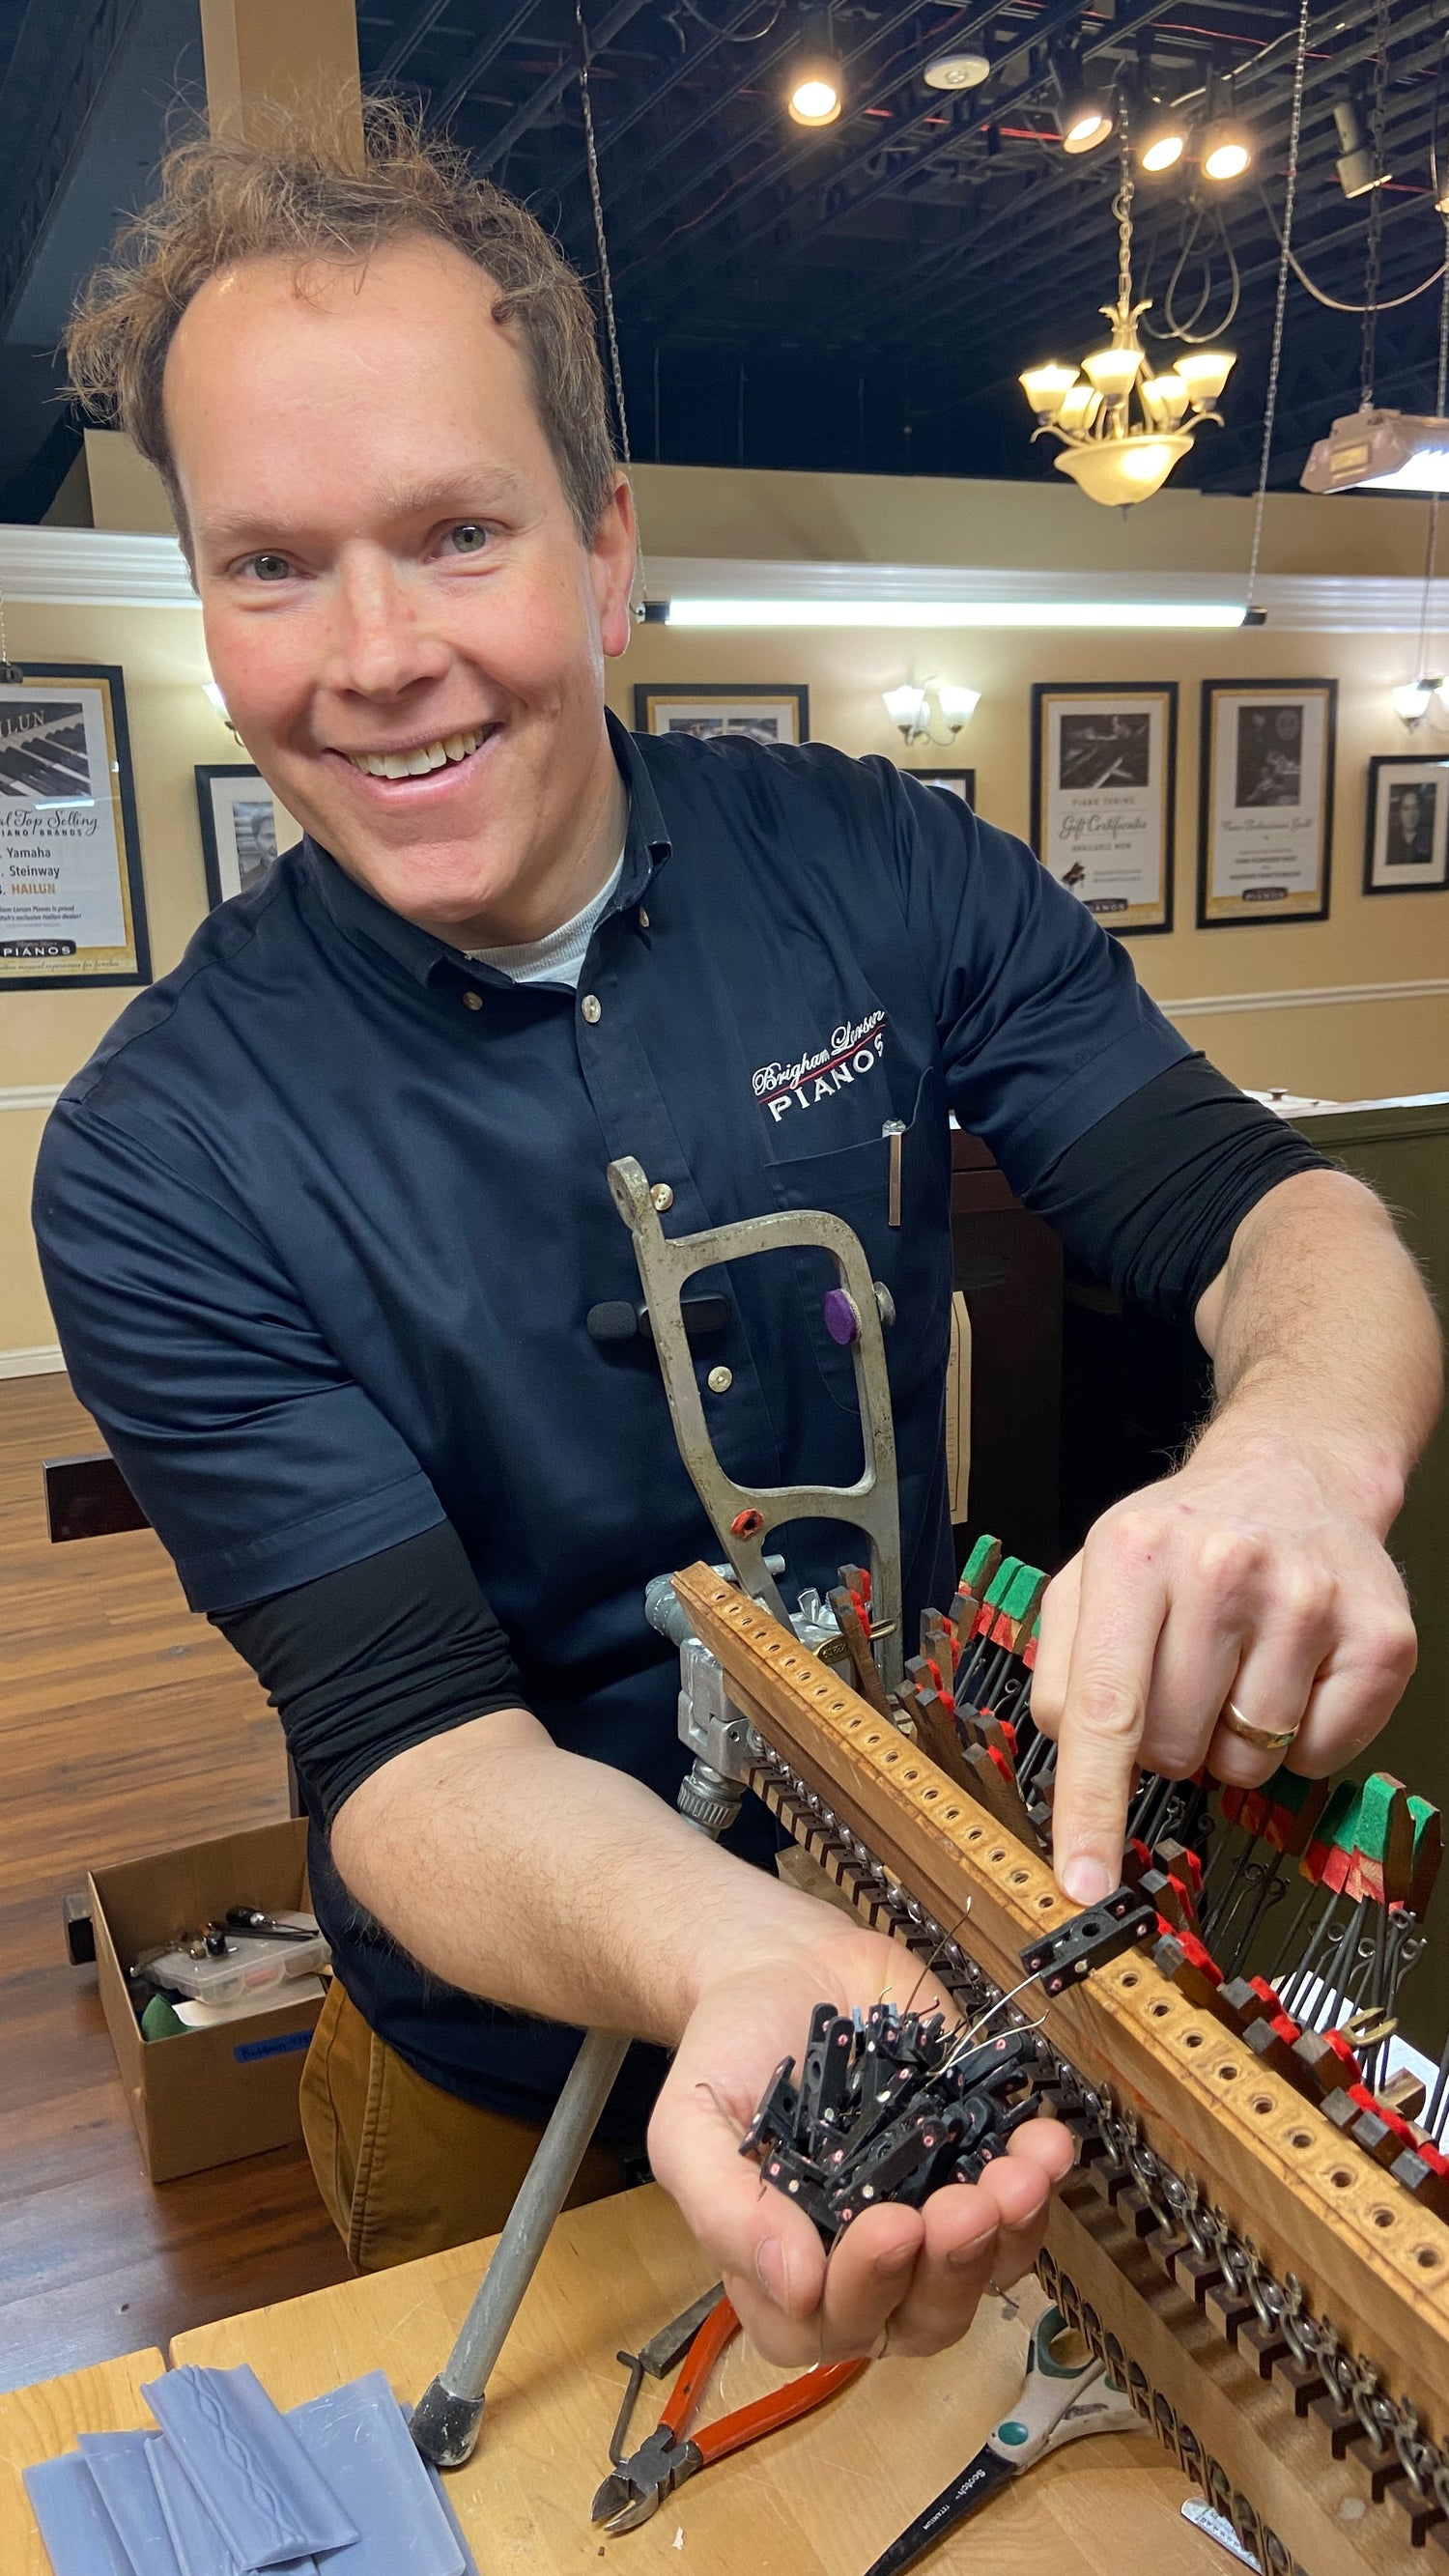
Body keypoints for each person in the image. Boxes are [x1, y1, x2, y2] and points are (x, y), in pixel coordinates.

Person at [36, 106, 1439, 2371]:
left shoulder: (880, 863)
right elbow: (405, 1743)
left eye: (454, 531)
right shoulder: (156, 1154)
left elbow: (1279, 1212)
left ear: (602, 556)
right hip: (487, 2082)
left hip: (934, 1968)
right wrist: (726, 1950)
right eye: (271, 563)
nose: (376, 651)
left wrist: (1287, 1446)